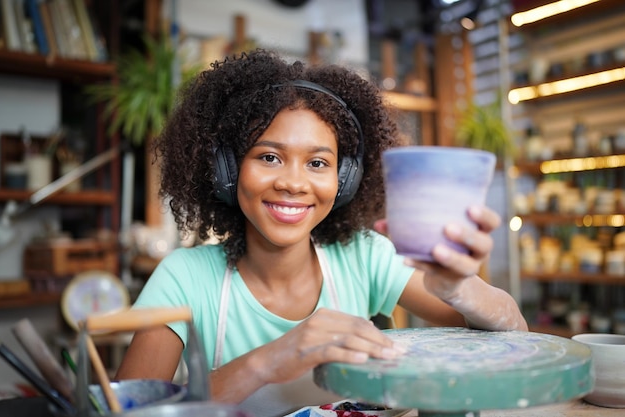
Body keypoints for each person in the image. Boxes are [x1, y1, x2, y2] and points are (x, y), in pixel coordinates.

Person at [116, 48, 528, 416]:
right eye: (270, 156)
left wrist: (458, 289)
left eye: (317, 163)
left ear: (344, 180)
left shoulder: (363, 255)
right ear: (226, 171)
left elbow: (514, 337)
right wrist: (269, 361)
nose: (294, 183)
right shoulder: (184, 279)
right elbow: (129, 413)